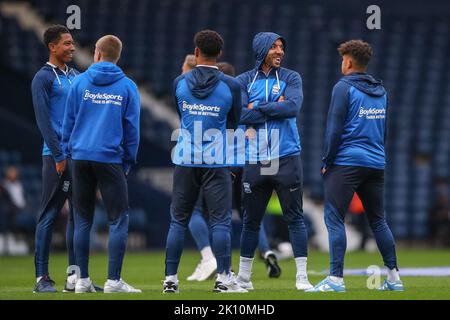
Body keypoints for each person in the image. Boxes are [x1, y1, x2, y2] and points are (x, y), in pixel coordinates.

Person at [308, 40, 403, 292]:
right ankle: (394, 278)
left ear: (348, 61)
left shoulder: (343, 87)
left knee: (335, 219)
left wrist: (327, 161)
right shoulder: (381, 91)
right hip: (375, 162)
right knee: (379, 221)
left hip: (346, 162)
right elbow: (382, 131)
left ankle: (335, 280)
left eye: (343, 59)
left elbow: (334, 128)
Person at [184, 60, 281, 281]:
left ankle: (216, 262)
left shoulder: (220, 103)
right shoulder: (245, 103)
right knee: (250, 215)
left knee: (210, 214)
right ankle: (266, 251)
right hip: (246, 165)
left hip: (222, 166)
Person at [164, 30, 245, 293]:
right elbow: (234, 123)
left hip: (186, 159)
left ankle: (170, 280)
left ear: (195, 52)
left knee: (178, 220)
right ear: (220, 54)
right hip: (216, 161)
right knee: (220, 221)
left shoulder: (180, 82)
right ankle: (223, 279)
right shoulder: (231, 85)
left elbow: (181, 116)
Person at [62, 35, 141, 293]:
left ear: (96, 53)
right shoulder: (128, 87)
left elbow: (68, 123)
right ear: (118, 56)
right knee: (118, 219)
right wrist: (127, 161)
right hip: (110, 159)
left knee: (82, 219)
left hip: (80, 158)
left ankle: (82, 280)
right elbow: (132, 130)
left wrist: (68, 152)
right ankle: (113, 281)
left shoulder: (79, 83)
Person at [235, 32, 312, 291]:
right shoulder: (243, 80)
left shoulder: (291, 77)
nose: (279, 51)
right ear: (261, 50)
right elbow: (240, 116)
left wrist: (257, 107)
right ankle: (244, 279)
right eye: (274, 47)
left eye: (281, 47)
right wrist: (273, 106)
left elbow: (292, 108)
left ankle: (302, 277)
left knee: (295, 218)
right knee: (250, 221)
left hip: (286, 156)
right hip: (256, 159)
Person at [31, 25, 80, 293]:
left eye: (73, 43)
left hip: (78, 156)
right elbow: (42, 120)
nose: (72, 47)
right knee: (49, 214)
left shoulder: (75, 75)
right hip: (56, 157)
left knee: (79, 216)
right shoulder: (42, 78)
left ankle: (75, 279)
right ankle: (41, 278)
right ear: (53, 46)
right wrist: (59, 154)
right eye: (67, 43)